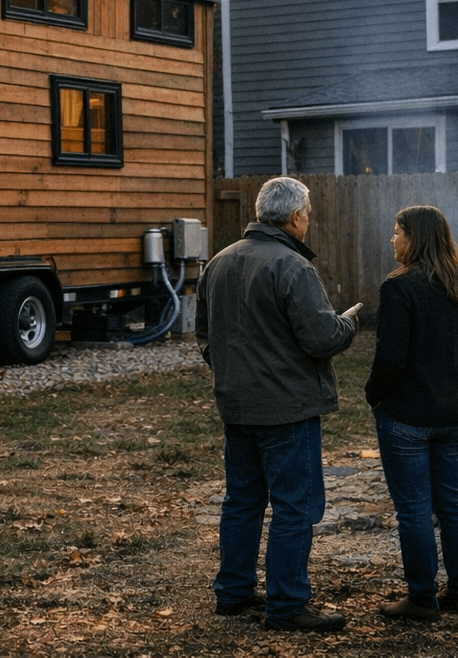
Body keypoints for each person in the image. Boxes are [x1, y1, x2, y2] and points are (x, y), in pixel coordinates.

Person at [196, 176, 361, 632]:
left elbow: (205, 337)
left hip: (238, 409)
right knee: (294, 507)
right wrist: (348, 322)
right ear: (294, 217)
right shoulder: (293, 268)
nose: (308, 221)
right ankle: (287, 605)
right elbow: (321, 338)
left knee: (242, 502)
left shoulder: (219, 263)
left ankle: (233, 594)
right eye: (307, 214)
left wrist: (232, 376)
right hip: (288, 413)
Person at [364, 204, 458, 621]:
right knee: (452, 503)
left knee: (414, 509)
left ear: (415, 238)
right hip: (454, 415)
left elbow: (390, 357)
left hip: (408, 418)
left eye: (397, 232)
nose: (392, 240)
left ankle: (421, 598)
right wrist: (454, 390)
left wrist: (374, 395)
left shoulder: (399, 287)